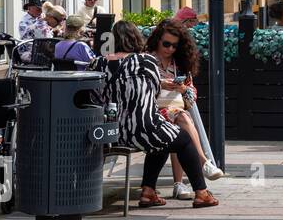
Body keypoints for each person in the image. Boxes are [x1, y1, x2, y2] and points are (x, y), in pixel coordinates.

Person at [94, 21, 217, 209]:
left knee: (164, 137)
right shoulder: (146, 62)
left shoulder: (98, 63)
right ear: (136, 38)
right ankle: (201, 192)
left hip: (111, 133)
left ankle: (149, 192)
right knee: (182, 139)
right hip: (141, 129)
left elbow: (94, 96)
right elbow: (152, 93)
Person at [145, 19, 223, 198]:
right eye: (166, 44)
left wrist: (183, 89)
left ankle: (179, 184)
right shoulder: (147, 60)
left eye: (174, 46)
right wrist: (160, 84)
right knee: (183, 121)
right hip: (152, 111)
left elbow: (191, 97)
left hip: (175, 109)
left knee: (181, 121)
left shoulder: (179, 65)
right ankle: (203, 164)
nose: (170, 49)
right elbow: (139, 87)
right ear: (157, 40)